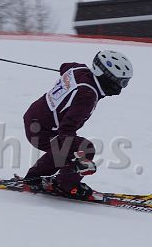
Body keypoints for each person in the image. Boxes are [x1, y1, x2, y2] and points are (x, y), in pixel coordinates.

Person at [22, 51, 133, 200]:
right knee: (84, 148)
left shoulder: (79, 69)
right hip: (41, 131)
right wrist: (81, 159)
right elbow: (66, 128)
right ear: (107, 78)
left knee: (66, 148)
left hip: (34, 117)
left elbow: (65, 66)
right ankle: (65, 186)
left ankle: (34, 178)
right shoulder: (87, 96)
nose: (121, 87)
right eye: (121, 82)